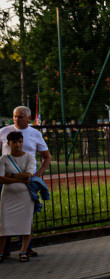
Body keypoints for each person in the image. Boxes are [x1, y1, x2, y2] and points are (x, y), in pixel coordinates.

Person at [0, 106, 51, 258]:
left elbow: (46, 156)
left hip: (27, 181)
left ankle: (26, 248)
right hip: (6, 182)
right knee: (5, 217)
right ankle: (5, 251)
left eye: (21, 117)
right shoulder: (3, 131)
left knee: (26, 215)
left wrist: (38, 174)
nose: (17, 119)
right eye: (15, 116)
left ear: (28, 118)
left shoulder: (35, 133)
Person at [0, 131, 36, 262]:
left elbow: (28, 175)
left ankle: (24, 251)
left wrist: (12, 175)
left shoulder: (29, 157)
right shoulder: (3, 159)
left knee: (26, 224)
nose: (17, 145)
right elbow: (1, 179)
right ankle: (1, 252)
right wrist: (19, 179)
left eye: (20, 141)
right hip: (8, 196)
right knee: (4, 225)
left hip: (25, 196)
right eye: (14, 142)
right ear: (9, 144)